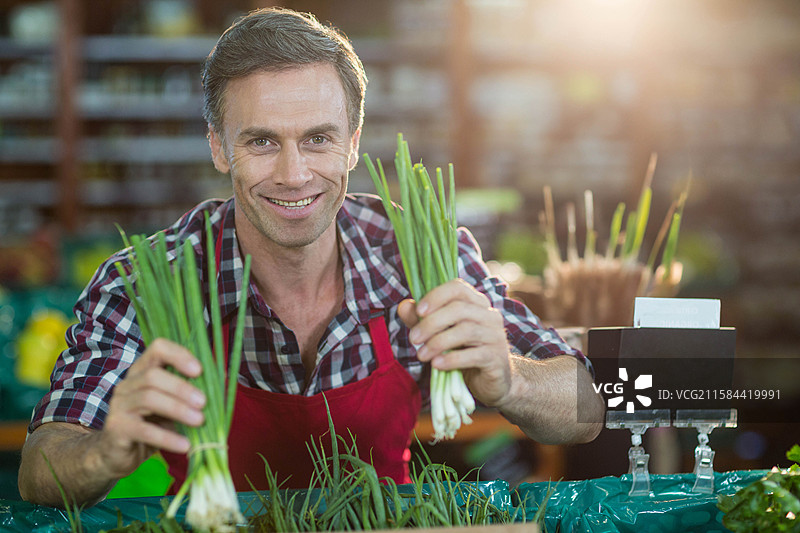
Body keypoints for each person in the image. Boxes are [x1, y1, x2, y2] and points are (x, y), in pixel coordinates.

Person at [18, 7, 604, 507]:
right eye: (262, 141)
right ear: (220, 147)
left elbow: (592, 405)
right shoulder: (143, 280)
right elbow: (38, 471)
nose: (294, 175)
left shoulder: (421, 256)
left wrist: (511, 380)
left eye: (318, 139)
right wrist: (104, 451)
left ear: (352, 143)